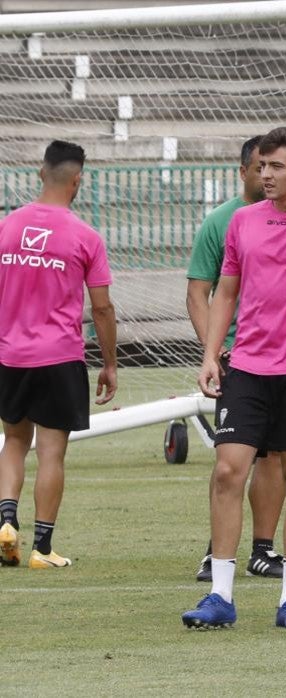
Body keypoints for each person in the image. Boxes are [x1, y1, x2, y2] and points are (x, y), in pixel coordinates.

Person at [181, 127, 286, 630]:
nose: (265, 173)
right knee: (228, 471)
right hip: (248, 368)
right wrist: (211, 354)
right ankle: (220, 595)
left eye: (276, 165)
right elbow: (225, 292)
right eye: (261, 165)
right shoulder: (242, 222)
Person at [0, 140, 117, 569]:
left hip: (10, 355)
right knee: (51, 452)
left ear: (39, 173)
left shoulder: (7, 227)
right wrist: (109, 363)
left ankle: (5, 521)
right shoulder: (84, 236)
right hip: (59, 356)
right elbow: (102, 307)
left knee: (14, 441)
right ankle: (42, 549)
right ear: (77, 180)